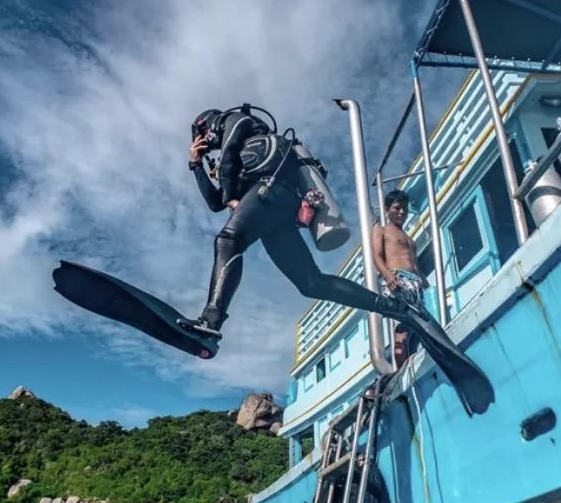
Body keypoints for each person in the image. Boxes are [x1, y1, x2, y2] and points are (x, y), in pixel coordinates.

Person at [185, 107, 494, 416]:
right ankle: (397, 308)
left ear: (206, 125)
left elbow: (226, 168)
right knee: (310, 283)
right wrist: (196, 164)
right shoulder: (228, 151)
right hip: (272, 210)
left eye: (203, 138)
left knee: (228, 240)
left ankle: (210, 321)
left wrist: (230, 196)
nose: (206, 143)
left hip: (273, 190)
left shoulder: (235, 120)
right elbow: (215, 203)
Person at [372, 190, 424, 368]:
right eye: (397, 208)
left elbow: (416, 265)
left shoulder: (410, 239)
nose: (402, 212)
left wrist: (425, 284)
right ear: (387, 209)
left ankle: (414, 362)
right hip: (397, 278)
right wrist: (388, 276)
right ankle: (402, 370)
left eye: (405, 209)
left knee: (418, 325)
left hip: (415, 283)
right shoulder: (381, 231)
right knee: (404, 322)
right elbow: (377, 257)